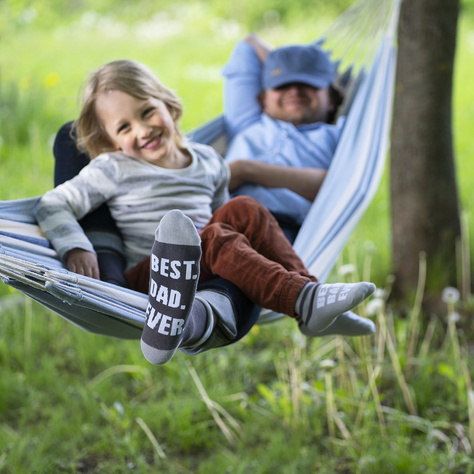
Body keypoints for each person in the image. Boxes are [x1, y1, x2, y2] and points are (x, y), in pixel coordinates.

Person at [36, 60, 375, 366]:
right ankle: (304, 300)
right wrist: (75, 245)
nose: (142, 130)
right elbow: (52, 204)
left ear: (169, 106)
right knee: (212, 238)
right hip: (154, 279)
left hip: (202, 268)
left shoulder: (209, 160)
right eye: (124, 128)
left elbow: (225, 220)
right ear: (112, 142)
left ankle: (311, 298)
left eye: (147, 112)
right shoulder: (113, 167)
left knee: (244, 208)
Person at [222, 34, 345, 242]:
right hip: (215, 219)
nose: (295, 91)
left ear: (332, 99)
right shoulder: (247, 122)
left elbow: (339, 185)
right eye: (282, 84)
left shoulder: (336, 135)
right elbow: (247, 45)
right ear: (263, 100)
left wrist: (245, 170)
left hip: (279, 231)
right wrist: (286, 63)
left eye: (308, 84)